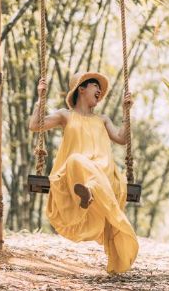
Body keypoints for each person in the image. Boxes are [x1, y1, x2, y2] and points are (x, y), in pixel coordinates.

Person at [29, 71, 139, 274]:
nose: (99, 91)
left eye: (100, 89)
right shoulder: (66, 115)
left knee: (113, 176)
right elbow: (35, 125)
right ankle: (87, 191)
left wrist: (126, 111)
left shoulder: (103, 120)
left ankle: (90, 191)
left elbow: (122, 138)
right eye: (95, 86)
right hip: (75, 173)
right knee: (75, 160)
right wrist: (40, 98)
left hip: (103, 173)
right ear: (81, 88)